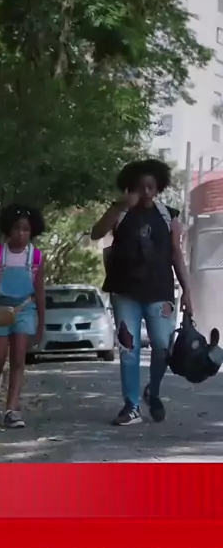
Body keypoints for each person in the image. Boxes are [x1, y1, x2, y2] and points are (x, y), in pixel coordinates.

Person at [91, 159, 192, 427]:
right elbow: (96, 233)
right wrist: (119, 205)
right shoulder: (121, 212)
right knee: (129, 349)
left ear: (158, 188)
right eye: (140, 187)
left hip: (160, 292)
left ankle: (153, 391)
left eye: (151, 186)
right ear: (131, 187)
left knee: (162, 346)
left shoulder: (168, 216)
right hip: (125, 292)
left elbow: (176, 255)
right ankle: (131, 406)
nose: (146, 192)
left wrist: (187, 291)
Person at [0, 204, 45, 428]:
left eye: (26, 229)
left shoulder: (35, 257)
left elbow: (40, 292)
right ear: (8, 229)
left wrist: (41, 325)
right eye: (17, 228)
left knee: (18, 359)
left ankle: (12, 409)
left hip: (25, 310)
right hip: (0, 310)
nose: (21, 234)